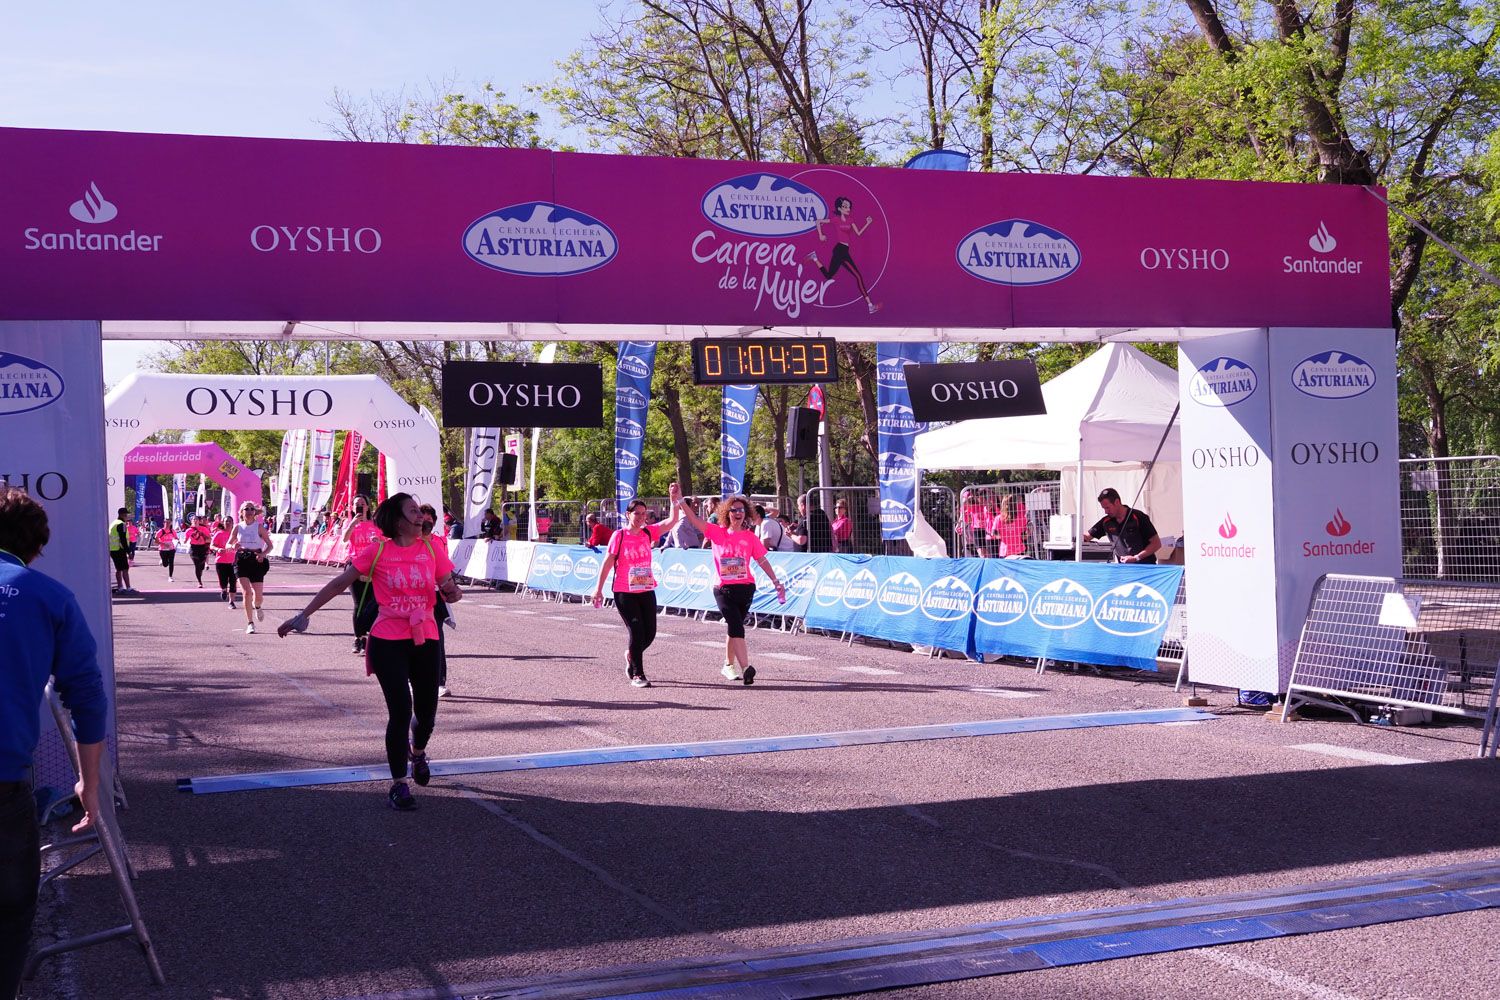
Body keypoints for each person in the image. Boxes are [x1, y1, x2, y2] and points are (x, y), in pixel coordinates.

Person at [277, 493, 463, 811]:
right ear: (396, 519)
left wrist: (452, 591)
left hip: (426, 638)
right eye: (413, 511)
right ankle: (399, 785)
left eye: (421, 512)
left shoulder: (432, 548)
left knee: (427, 716)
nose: (421, 516)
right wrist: (303, 615)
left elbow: (451, 589)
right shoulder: (377, 551)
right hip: (388, 639)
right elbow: (338, 584)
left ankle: (417, 753)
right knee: (401, 711)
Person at [0, 487, 108, 1000]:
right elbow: (85, 695)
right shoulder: (47, 596)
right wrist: (89, 781)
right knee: (11, 906)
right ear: (37, 546)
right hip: (2, 779)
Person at [676, 494, 786, 686]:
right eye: (734, 510)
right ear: (727, 513)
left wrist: (776, 581)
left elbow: (762, 560)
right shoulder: (717, 532)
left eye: (741, 510)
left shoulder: (750, 537)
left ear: (746, 514)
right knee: (736, 626)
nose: (738, 513)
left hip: (745, 588)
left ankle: (728, 664)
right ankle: (746, 668)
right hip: (723, 589)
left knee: (733, 627)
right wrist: (678, 501)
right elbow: (694, 520)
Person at [592, 485, 683, 688]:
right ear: (628, 515)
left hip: (646, 589)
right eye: (637, 514)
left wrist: (673, 499)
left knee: (650, 633)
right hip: (624, 591)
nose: (642, 517)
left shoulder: (648, 533)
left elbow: (672, 521)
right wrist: (598, 589)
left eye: (644, 514)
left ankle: (631, 655)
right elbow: (608, 562)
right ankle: (638, 674)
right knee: (636, 630)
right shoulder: (620, 535)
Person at [806, 195, 881, 314]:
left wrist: (868, 223)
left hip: (843, 250)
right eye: (845, 206)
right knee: (858, 276)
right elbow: (818, 221)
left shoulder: (851, 220)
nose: (848, 208)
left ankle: (814, 258)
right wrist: (821, 234)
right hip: (840, 250)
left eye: (849, 207)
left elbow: (859, 233)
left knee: (829, 275)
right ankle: (870, 305)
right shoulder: (836, 219)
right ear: (840, 208)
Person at [418, 504, 458, 697]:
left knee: (437, 640)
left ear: (434, 522)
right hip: (412, 599)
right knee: (414, 641)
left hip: (435, 597)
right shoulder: (406, 542)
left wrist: (452, 588)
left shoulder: (439, 542)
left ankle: (439, 682)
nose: (425, 524)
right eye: (421, 519)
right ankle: (412, 679)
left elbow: (445, 570)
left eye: (428, 520)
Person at [343, 496, 380, 655]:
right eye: (356, 505)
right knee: (359, 603)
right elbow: (344, 539)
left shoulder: (376, 524)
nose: (359, 507)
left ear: (368, 507)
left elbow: (384, 543)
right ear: (352, 507)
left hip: (373, 567)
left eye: (362, 504)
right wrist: (352, 524)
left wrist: (378, 541)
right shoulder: (349, 523)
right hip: (355, 566)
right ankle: (358, 637)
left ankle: (369, 638)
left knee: (371, 604)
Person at [1087, 487, 1161, 564]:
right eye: (1104, 508)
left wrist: (1136, 558)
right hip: (1123, 570)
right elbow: (1087, 536)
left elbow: (1156, 544)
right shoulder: (1106, 522)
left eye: (1107, 507)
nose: (1106, 511)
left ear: (1117, 502)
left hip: (1145, 568)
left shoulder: (1138, 516)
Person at [233, 502, 272, 632]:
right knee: (247, 593)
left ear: (254, 512)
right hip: (241, 560)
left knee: (258, 597)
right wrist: (233, 546)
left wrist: (263, 554)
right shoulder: (237, 527)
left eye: (251, 509)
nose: (249, 511)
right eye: (246, 509)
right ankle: (250, 623)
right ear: (241, 512)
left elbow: (269, 545)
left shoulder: (259, 527)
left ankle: (258, 607)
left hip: (256, 560)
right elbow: (229, 543)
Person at [210, 518, 239, 608]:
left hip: (234, 561)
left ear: (233, 523)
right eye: (226, 521)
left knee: (233, 582)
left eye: (230, 521)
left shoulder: (236, 534)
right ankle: (223, 589)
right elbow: (211, 545)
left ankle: (231, 602)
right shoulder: (219, 533)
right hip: (221, 561)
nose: (228, 523)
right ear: (223, 522)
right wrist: (218, 549)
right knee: (223, 581)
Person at [108, 507, 133, 594]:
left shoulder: (114, 523)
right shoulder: (121, 524)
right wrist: (128, 551)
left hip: (113, 549)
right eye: (126, 514)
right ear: (122, 515)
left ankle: (120, 587)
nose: (127, 516)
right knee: (125, 568)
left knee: (119, 569)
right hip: (119, 549)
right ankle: (128, 588)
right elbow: (122, 539)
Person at [185, 515, 214, 588]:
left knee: (201, 566)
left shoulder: (204, 529)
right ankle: (199, 582)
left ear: (199, 521)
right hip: (193, 548)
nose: (195, 521)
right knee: (197, 565)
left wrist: (203, 535)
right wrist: (184, 540)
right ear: (191, 521)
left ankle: (200, 571)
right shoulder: (189, 530)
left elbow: (209, 540)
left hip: (202, 548)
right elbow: (185, 540)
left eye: (196, 519)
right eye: (193, 519)